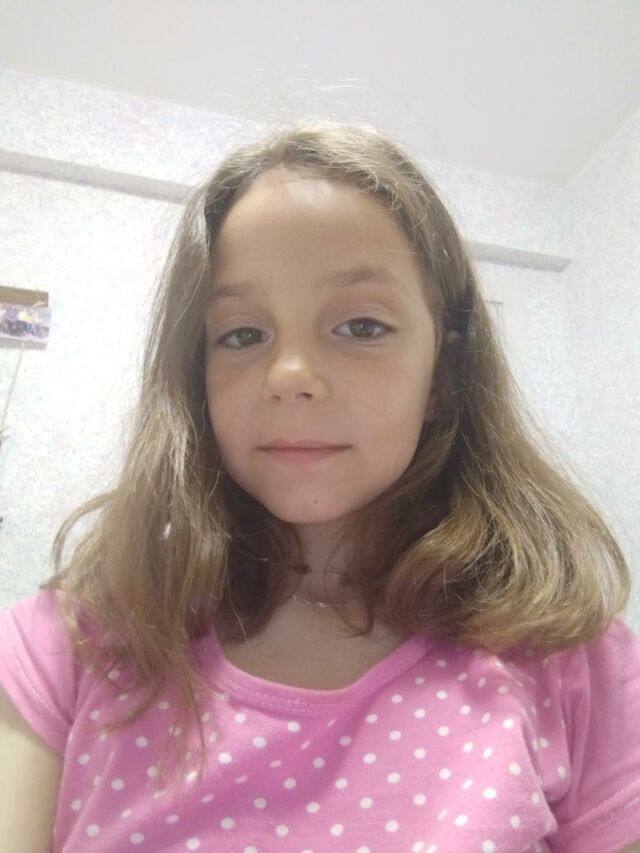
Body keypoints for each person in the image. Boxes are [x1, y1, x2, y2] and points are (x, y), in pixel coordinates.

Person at [1, 119, 639, 853]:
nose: (290, 375)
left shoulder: (570, 658)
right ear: (196, 377)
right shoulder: (68, 645)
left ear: (443, 374)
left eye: (361, 326)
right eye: (242, 334)